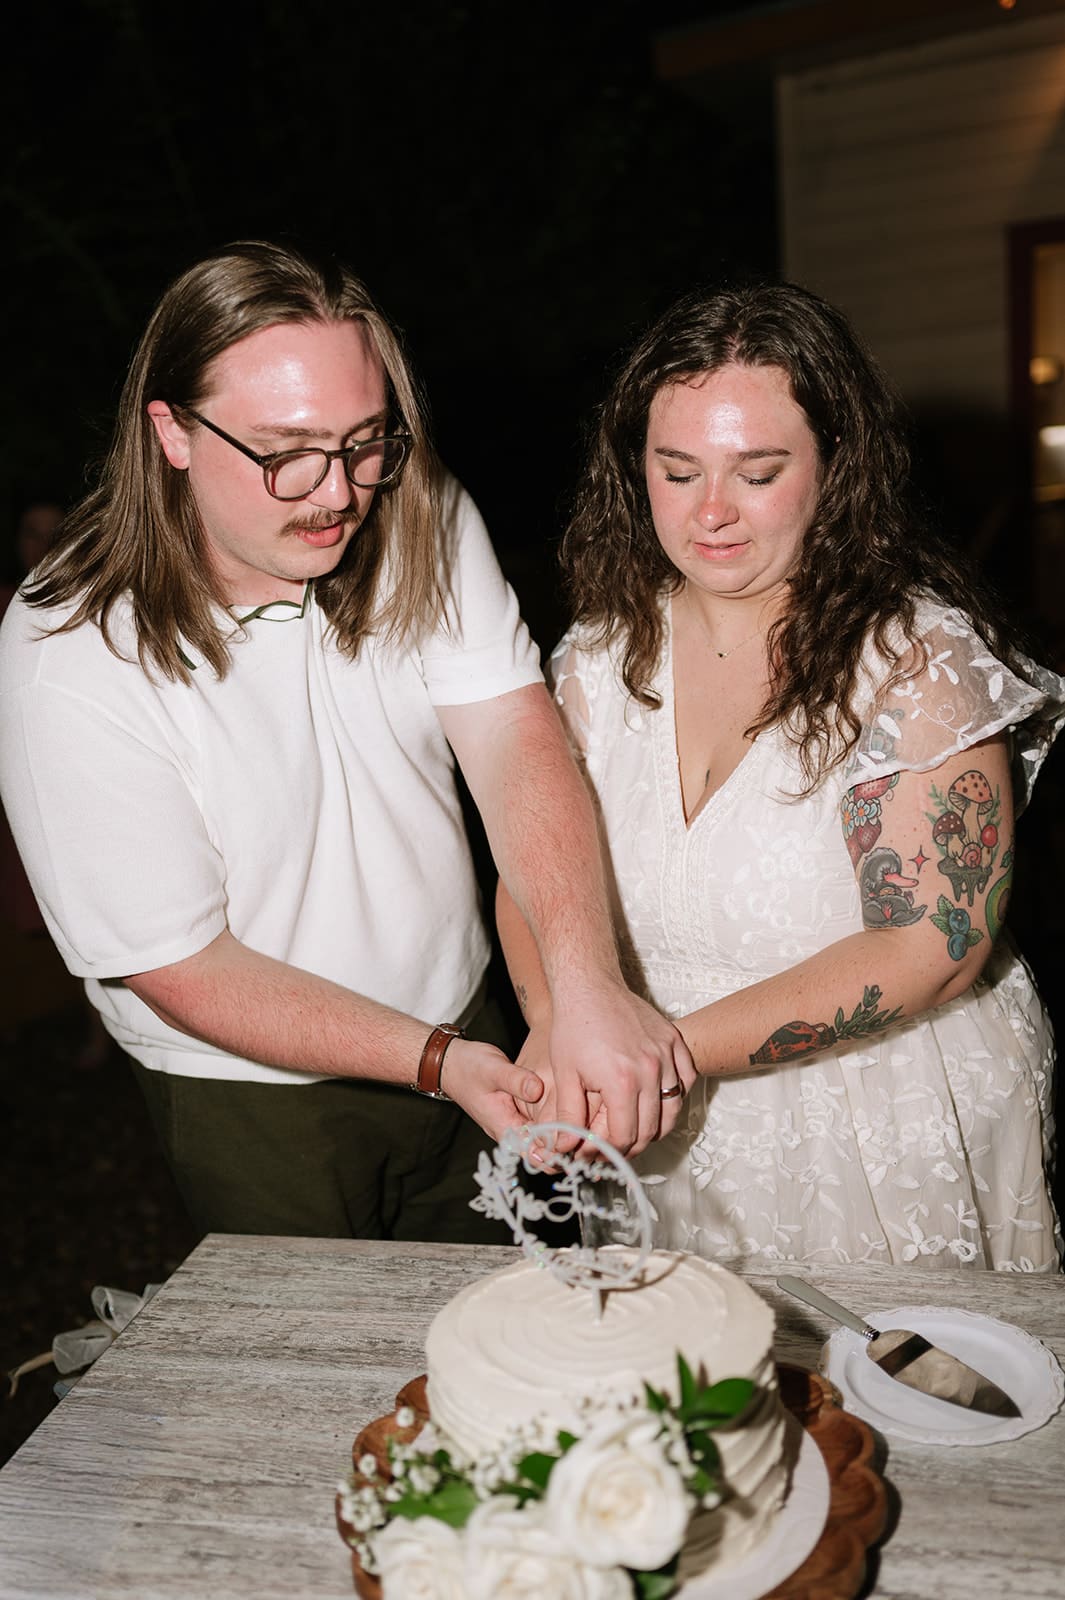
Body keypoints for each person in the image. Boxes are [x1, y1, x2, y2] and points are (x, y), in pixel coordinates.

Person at [0, 240, 693, 1242]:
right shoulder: (68, 645)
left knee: (510, 1304)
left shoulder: (416, 507)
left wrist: (582, 988)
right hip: (251, 1093)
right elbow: (180, 965)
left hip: (467, 1010)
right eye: (285, 452)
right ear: (173, 431)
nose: (337, 493)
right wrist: (435, 1063)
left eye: (366, 442)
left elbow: (511, 734)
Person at [498, 281, 1063, 1271]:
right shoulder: (595, 657)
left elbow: (936, 942)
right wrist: (561, 1025)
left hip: (873, 1115)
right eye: (677, 471)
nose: (711, 511)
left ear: (835, 466)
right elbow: (533, 867)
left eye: (757, 472)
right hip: (652, 1119)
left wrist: (653, 1055)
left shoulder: (916, 662)